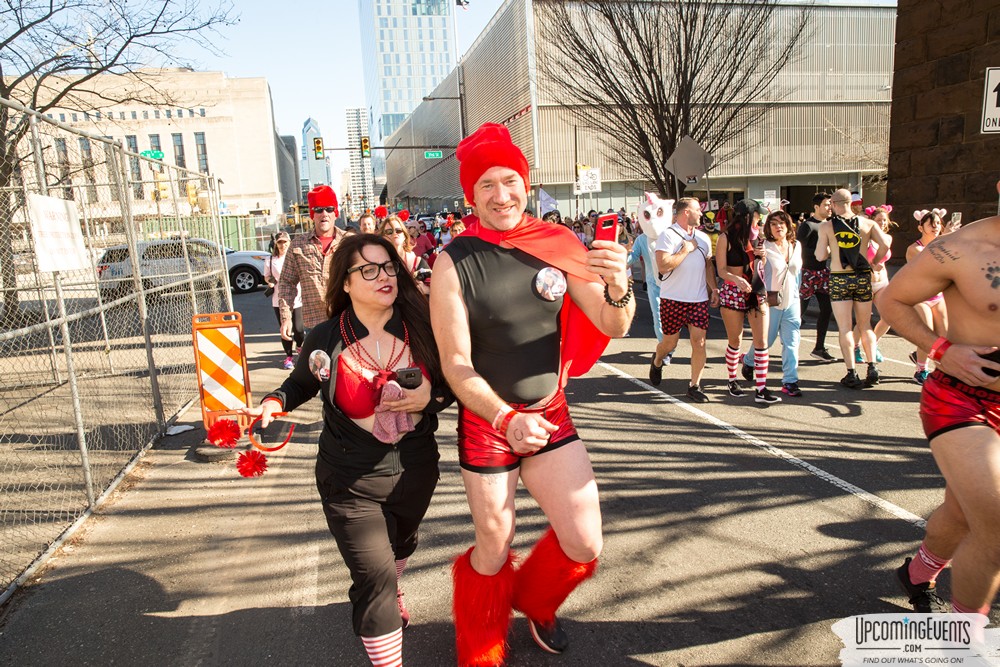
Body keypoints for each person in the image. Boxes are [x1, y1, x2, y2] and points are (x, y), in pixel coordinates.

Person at [430, 123, 634, 666]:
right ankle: (480, 651)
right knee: (494, 545)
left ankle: (535, 601)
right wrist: (504, 419)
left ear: (526, 183)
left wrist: (620, 288)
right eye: (487, 185)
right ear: (471, 195)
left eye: (510, 181)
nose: (502, 195)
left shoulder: (559, 243)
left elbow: (612, 324)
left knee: (585, 542)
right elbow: (455, 363)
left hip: (550, 416)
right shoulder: (453, 261)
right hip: (488, 424)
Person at [241, 234, 452, 666]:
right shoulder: (326, 337)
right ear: (346, 283)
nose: (384, 276)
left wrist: (430, 397)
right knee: (374, 579)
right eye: (368, 270)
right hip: (350, 479)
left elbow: (456, 381)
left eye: (389, 266)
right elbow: (300, 382)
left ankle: (393, 583)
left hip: (415, 471)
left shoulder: (425, 325)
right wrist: (273, 402)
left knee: (400, 545)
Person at [878, 211, 1000, 618]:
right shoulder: (960, 248)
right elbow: (890, 299)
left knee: (963, 512)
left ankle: (917, 574)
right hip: (963, 400)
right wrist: (942, 350)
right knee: (996, 524)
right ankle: (967, 641)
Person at [815, 188, 890, 389]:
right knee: (865, 325)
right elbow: (885, 245)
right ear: (850, 203)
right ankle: (872, 367)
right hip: (862, 275)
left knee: (845, 327)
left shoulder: (827, 226)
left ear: (834, 204)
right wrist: (873, 262)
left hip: (840, 277)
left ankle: (851, 373)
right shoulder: (868, 223)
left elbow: (820, 256)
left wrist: (831, 248)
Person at [647, 197, 719, 403]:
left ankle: (694, 386)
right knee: (669, 343)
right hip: (673, 299)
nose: (701, 213)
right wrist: (685, 250)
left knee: (699, 342)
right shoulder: (667, 235)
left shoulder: (703, 238)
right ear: (686, 212)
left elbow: (708, 265)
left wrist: (714, 288)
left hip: (698, 300)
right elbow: (663, 266)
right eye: (698, 210)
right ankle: (657, 360)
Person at [716, 198, 781, 404]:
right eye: (757, 215)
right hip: (733, 291)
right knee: (735, 340)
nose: (760, 219)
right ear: (748, 216)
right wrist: (736, 279)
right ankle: (732, 380)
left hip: (757, 290)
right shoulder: (725, 238)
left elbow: (761, 265)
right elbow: (721, 270)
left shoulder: (758, 236)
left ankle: (761, 389)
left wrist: (762, 256)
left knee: (761, 341)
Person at [741, 211, 804, 397]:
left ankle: (790, 381)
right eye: (774, 223)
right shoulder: (764, 246)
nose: (778, 227)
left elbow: (797, 273)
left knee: (792, 342)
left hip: (792, 300)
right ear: (768, 227)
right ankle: (749, 361)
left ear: (789, 226)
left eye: (782, 223)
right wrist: (760, 257)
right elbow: (755, 271)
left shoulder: (796, 245)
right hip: (769, 300)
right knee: (766, 340)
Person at [277, 185, 346, 336]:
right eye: (318, 210)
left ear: (335, 213)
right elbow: (286, 283)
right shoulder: (298, 245)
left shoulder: (349, 243)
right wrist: (286, 318)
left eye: (329, 209)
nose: (324, 214)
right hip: (314, 326)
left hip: (347, 321)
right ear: (312, 215)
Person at [905, 210, 949, 384]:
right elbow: (931, 264)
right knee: (927, 334)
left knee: (945, 336)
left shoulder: (941, 245)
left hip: (938, 297)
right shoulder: (914, 249)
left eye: (938, 223)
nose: (935, 227)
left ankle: (926, 360)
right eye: (931, 224)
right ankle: (921, 369)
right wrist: (945, 240)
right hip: (920, 298)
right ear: (920, 228)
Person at [853, 205, 896, 365]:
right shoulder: (865, 238)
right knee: (863, 320)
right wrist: (871, 265)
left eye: (884, 220)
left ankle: (873, 343)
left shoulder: (888, 238)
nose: (882, 223)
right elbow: (858, 259)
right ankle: (855, 347)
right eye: (879, 220)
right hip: (866, 282)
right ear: (871, 221)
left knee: (889, 316)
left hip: (882, 282)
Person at [797, 192, 836, 362]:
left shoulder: (831, 225)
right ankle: (789, 345)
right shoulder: (808, 225)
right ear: (816, 207)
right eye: (826, 204)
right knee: (798, 312)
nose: (829, 208)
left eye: (831, 204)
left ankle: (819, 347)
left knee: (827, 310)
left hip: (823, 272)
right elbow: (798, 248)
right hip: (806, 272)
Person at [264, 231, 303, 369]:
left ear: (289, 243)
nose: (282, 245)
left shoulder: (295, 257)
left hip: (297, 298)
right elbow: (266, 276)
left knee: (299, 329)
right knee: (285, 329)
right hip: (279, 299)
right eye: (280, 242)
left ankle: (300, 347)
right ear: (276, 244)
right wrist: (270, 281)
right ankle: (289, 357)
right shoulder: (270, 260)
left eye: (285, 242)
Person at [627, 222, 663, 342]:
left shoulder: (671, 235)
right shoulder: (642, 239)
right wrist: (624, 254)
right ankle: (666, 348)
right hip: (654, 283)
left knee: (675, 317)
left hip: (674, 284)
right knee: (658, 316)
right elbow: (631, 258)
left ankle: (668, 344)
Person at [379, 215, 431, 296]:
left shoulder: (418, 262)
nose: (394, 233)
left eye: (398, 231)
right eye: (389, 231)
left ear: (404, 235)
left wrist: (427, 290)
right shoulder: (379, 264)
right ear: (383, 237)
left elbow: (437, 291)